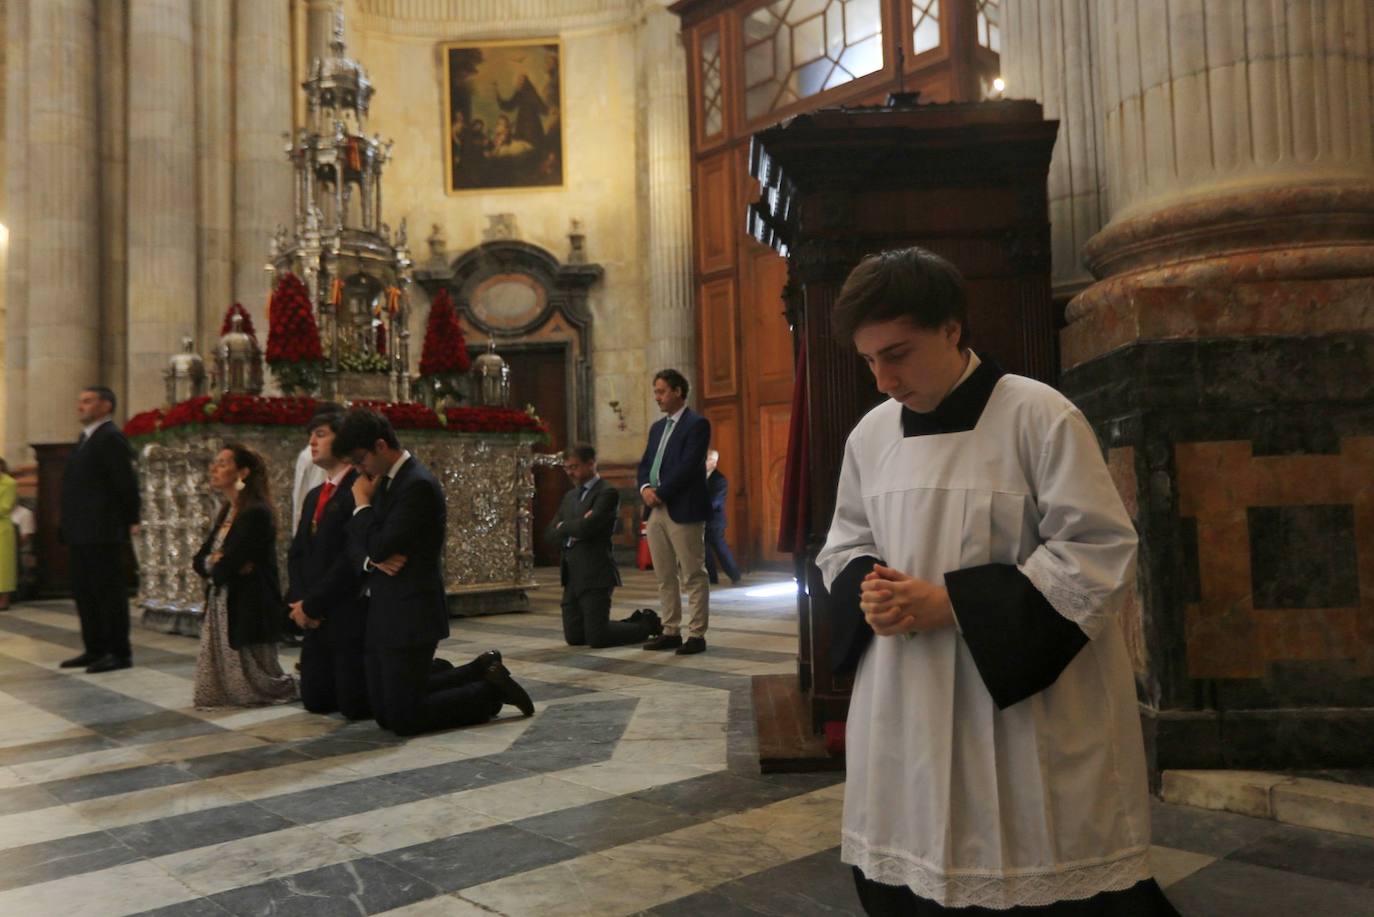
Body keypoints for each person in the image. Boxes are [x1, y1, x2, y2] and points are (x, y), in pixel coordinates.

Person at [815, 248, 1176, 915]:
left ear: (952, 328)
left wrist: (952, 602)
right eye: (869, 361)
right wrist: (869, 587)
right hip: (907, 697)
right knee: (913, 865)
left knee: (1033, 865)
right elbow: (846, 540)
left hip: (1020, 707)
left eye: (898, 353)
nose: (883, 380)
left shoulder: (1040, 417)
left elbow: (1098, 546)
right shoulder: (870, 436)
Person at [335, 408, 534, 736]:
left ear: (381, 446)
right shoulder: (383, 482)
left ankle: (490, 691)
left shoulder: (417, 485)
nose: (358, 470)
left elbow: (378, 542)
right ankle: (480, 669)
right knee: (385, 713)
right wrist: (372, 558)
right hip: (386, 608)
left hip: (412, 611)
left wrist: (362, 509)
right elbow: (356, 540)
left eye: (360, 460)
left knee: (403, 718)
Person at [192, 444, 298, 708]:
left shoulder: (256, 513)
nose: (214, 468)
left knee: (259, 679)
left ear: (243, 472)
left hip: (248, 600)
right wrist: (215, 562)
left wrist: (220, 564)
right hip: (223, 598)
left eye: (223, 463)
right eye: (215, 462)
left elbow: (227, 564)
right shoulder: (227, 510)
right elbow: (201, 561)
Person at [287, 407, 369, 719]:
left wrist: (314, 603)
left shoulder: (358, 489)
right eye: (311, 435)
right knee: (317, 700)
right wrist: (298, 601)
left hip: (344, 610)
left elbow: (350, 558)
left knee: (355, 705)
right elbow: (296, 553)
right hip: (313, 613)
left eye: (320, 435)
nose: (312, 442)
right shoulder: (313, 496)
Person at [546, 444, 662, 648]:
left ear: (591, 464)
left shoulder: (607, 493)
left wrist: (565, 526)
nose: (570, 472)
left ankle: (646, 624)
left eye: (574, 466)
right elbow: (550, 533)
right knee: (575, 637)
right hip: (572, 573)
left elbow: (588, 528)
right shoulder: (570, 496)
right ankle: (626, 624)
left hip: (596, 572)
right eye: (567, 468)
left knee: (597, 638)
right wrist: (574, 525)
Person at [59, 386, 140, 673]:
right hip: (83, 531)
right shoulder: (86, 438)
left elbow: (125, 484)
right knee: (86, 591)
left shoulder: (111, 438)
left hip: (103, 530)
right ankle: (94, 649)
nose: (80, 406)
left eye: (88, 401)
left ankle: (118, 652)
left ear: (106, 405)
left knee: (107, 592)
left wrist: (131, 518)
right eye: (80, 401)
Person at [636, 369, 712, 655]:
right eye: (656, 392)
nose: (657, 397)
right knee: (664, 575)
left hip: (684, 507)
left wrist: (661, 492)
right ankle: (670, 630)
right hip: (656, 509)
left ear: (678, 391)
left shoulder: (697, 425)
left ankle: (697, 634)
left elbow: (690, 466)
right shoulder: (657, 428)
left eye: (662, 391)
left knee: (693, 574)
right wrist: (645, 488)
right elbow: (645, 464)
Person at [703, 449, 740, 586]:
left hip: (714, 521)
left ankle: (735, 575)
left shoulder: (720, 479)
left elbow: (716, 501)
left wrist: (698, 507)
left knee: (720, 549)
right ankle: (712, 578)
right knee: (704, 551)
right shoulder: (700, 477)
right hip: (701, 520)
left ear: (714, 462)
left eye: (706, 459)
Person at [0, 459, 16, 609]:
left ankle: (5, 600)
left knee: (4, 567)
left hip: (2, 528)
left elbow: (5, 507)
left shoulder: (9, 483)